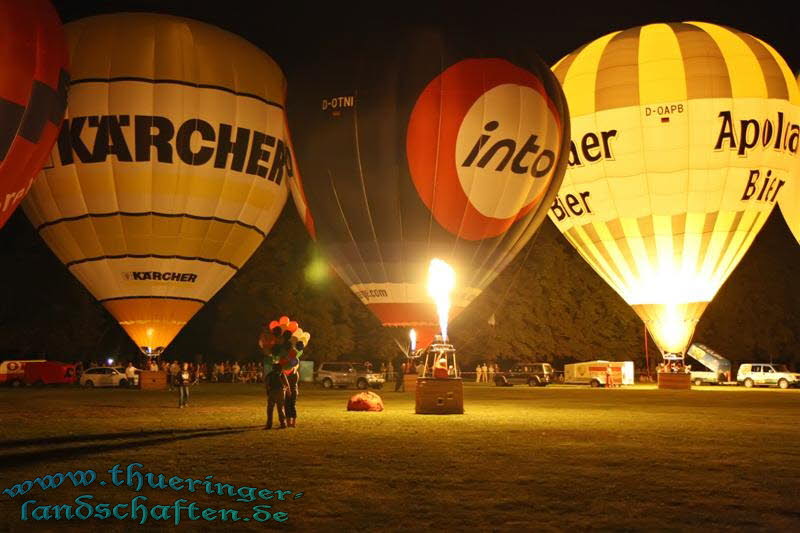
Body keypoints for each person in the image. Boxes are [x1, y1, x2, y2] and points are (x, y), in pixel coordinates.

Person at [265, 363, 289, 430]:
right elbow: (286, 384)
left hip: (272, 392)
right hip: (281, 392)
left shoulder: (270, 374)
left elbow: (266, 383)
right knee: (280, 408)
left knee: (270, 409)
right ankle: (283, 423)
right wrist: (285, 390)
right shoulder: (282, 374)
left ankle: (269, 424)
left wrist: (268, 391)